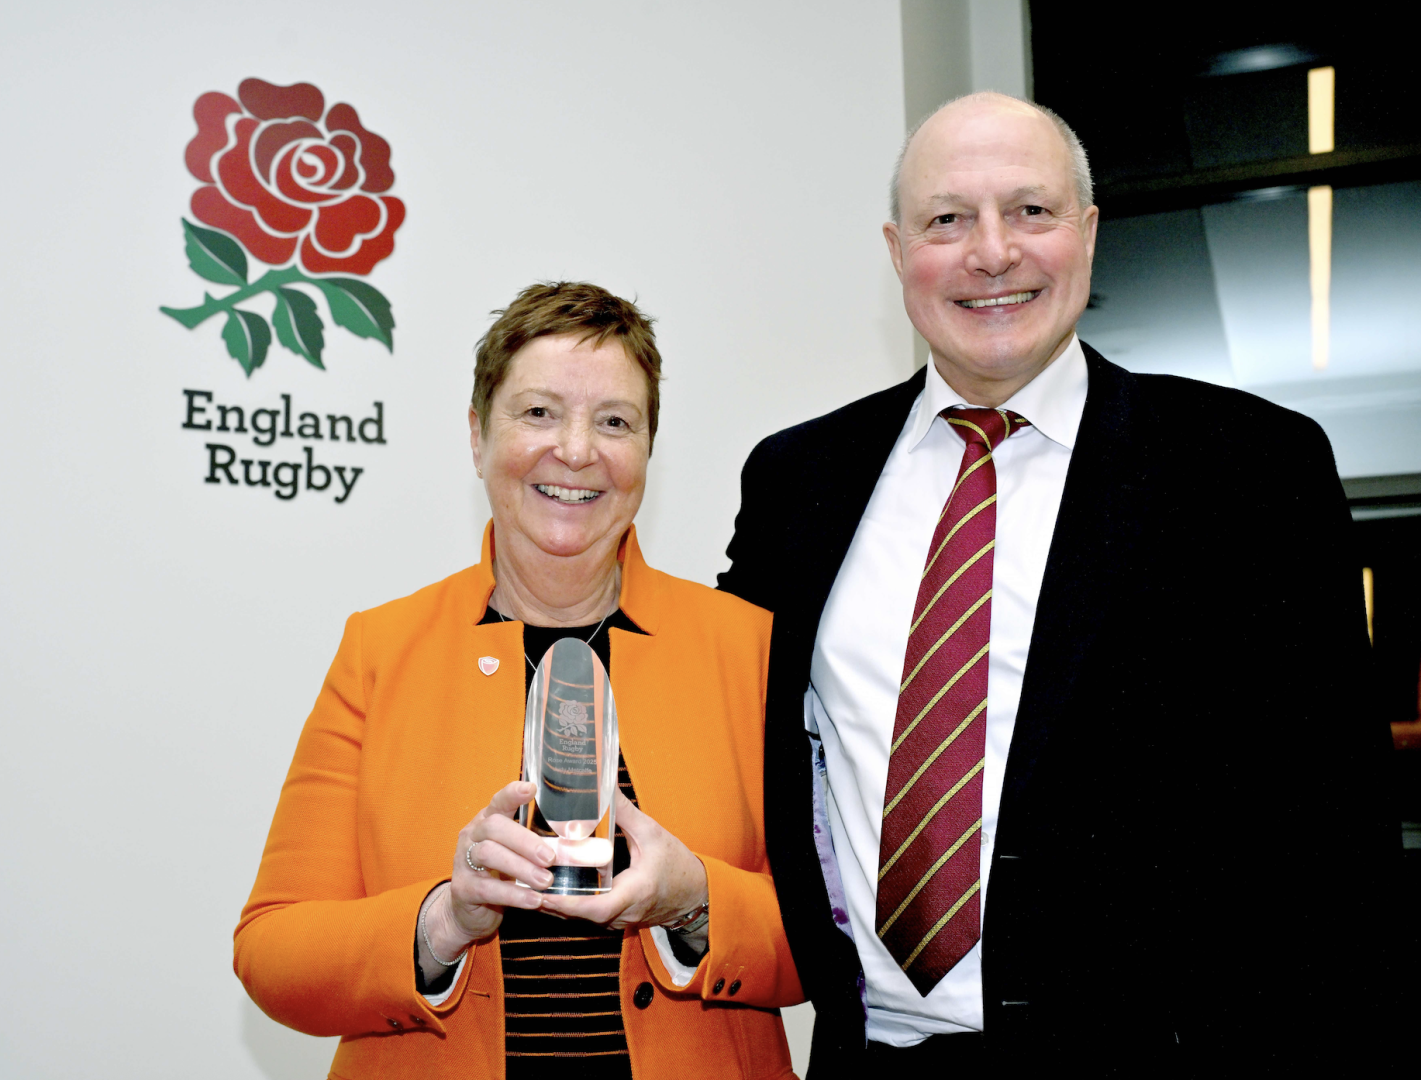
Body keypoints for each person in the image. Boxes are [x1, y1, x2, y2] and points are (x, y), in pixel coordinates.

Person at [718, 93, 1399, 1074]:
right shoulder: (798, 481)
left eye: (1029, 211)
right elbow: (721, 718)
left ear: (1087, 230)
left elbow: (1338, 828)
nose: (992, 252)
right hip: (869, 1055)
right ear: (896, 251)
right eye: (947, 219)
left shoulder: (1247, 467)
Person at [236, 282, 803, 1080]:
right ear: (477, 436)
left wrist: (696, 901)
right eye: (538, 412)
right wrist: (445, 918)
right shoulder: (380, 650)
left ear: (648, 450)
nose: (575, 450)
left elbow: (840, 937)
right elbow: (273, 951)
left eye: (615, 422)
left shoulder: (750, 647)